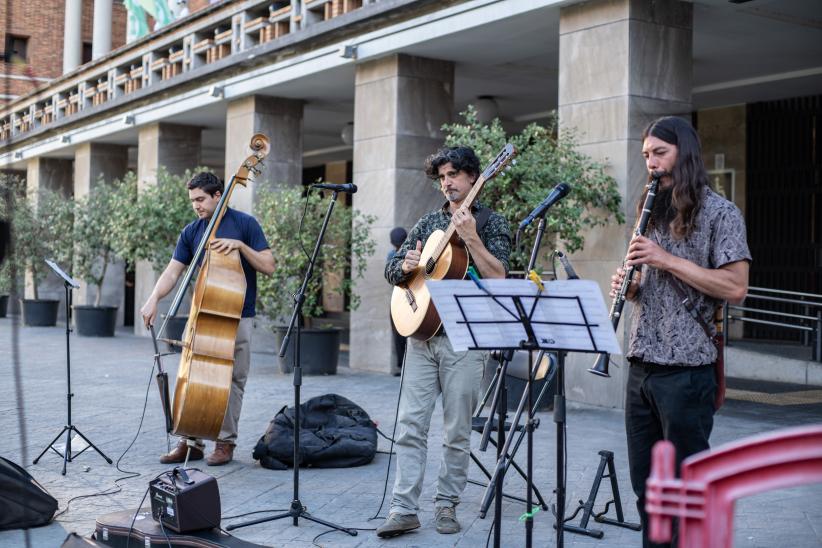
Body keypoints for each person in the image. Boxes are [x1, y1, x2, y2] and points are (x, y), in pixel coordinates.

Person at [611, 116, 750, 547]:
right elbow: (650, 283)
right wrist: (632, 286)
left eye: (660, 153)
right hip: (642, 366)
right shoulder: (649, 210)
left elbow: (736, 287)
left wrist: (664, 259)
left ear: (684, 154)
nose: (651, 164)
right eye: (646, 155)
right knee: (647, 491)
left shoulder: (721, 213)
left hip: (687, 371)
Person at [378, 146, 511, 538]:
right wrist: (404, 267)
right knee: (409, 425)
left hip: (465, 340)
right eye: (441, 177)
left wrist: (471, 239)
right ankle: (403, 508)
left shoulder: (492, 222)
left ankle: (446, 504)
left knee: (456, 430)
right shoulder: (428, 222)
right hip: (421, 336)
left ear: (473, 177)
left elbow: (499, 277)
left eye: (453, 174)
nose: (447, 182)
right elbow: (393, 270)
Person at [140, 171, 275, 466]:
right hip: (202, 313)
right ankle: (190, 441)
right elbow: (173, 271)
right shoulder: (191, 231)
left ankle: (225, 442)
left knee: (232, 380)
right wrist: (153, 298)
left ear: (218, 195)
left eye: (200, 199)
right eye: (192, 201)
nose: (196, 205)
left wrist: (241, 247)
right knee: (191, 375)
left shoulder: (245, 224)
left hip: (237, 315)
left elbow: (268, 265)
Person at [387, 226, 408, 376]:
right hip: (398, 299)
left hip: (410, 298)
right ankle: (402, 366)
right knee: (398, 335)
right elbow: (391, 277)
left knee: (407, 335)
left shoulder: (412, 251)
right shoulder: (392, 254)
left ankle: (407, 366)